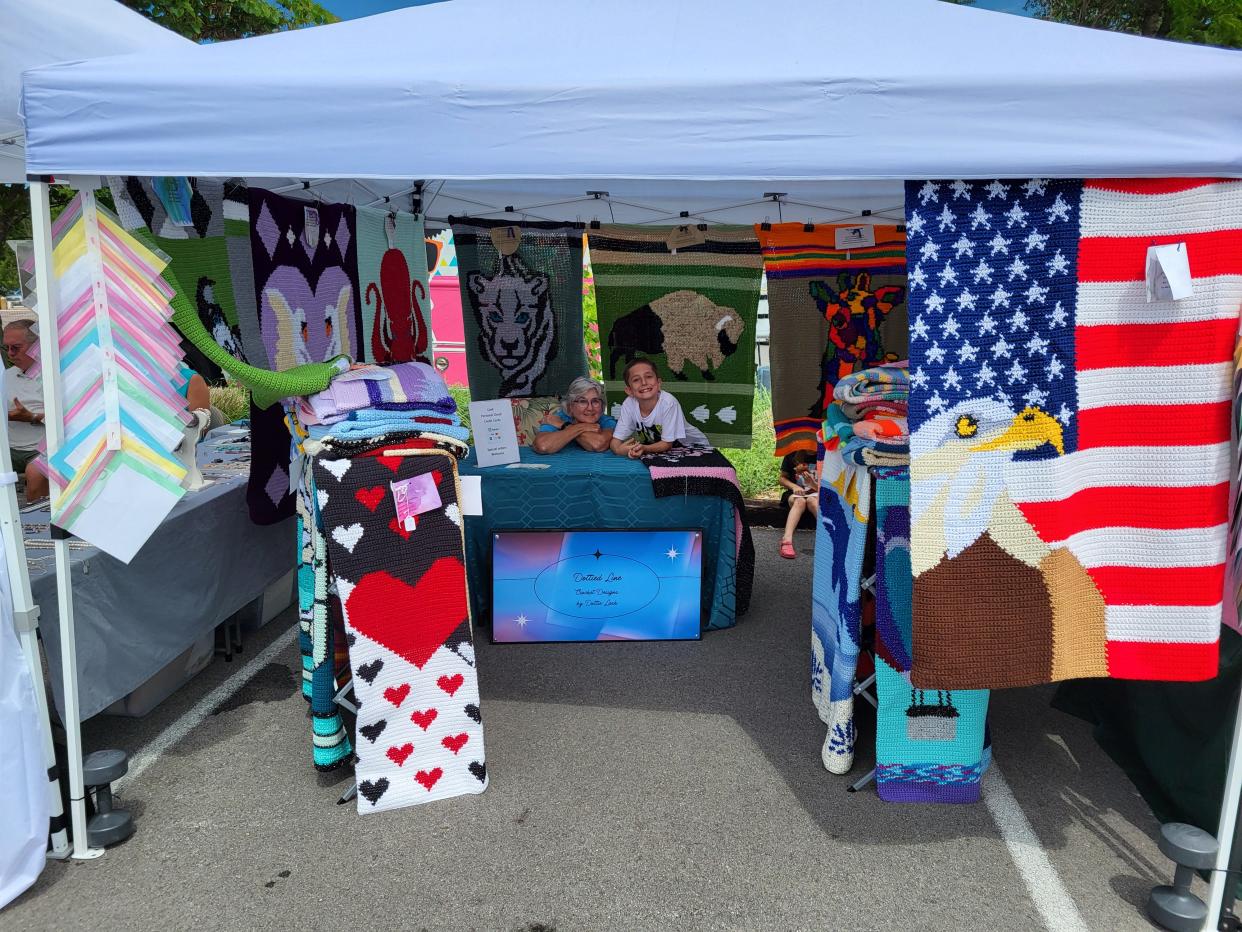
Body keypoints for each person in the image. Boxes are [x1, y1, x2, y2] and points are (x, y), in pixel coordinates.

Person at [610, 358, 708, 459]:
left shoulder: (668, 403)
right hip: (664, 452)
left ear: (659, 383)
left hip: (695, 447)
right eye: (636, 380)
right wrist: (618, 449)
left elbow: (667, 444)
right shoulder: (628, 404)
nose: (643, 382)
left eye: (648, 376)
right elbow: (615, 441)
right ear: (629, 390)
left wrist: (643, 448)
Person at [3, 320, 48, 503]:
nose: (10, 354)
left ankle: (37, 527)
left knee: (35, 472)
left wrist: (31, 417)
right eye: (6, 348)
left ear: (36, 346)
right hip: (8, 448)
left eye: (16, 347)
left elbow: (70, 418)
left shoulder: (53, 375)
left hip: (43, 448)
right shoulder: (6, 376)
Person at [532, 376, 616, 454]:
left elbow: (598, 445)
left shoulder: (606, 421)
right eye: (582, 401)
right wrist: (581, 428)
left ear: (602, 405)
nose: (590, 408)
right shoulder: (558, 417)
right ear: (570, 406)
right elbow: (542, 446)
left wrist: (563, 425)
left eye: (595, 401)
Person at [778, 449, 818, 559]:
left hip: (817, 493)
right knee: (800, 501)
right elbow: (782, 478)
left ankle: (830, 537)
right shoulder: (792, 454)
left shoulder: (825, 456)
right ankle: (786, 540)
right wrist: (794, 486)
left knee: (812, 501)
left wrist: (813, 485)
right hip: (795, 493)